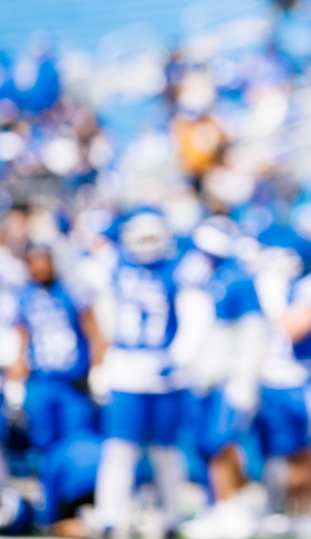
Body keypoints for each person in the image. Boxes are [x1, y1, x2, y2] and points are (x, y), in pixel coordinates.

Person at [93, 209, 194, 538]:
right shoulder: (113, 266)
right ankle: (109, 517)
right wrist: (105, 361)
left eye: (154, 237)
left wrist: (178, 357)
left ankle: (170, 517)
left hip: (165, 371)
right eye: (143, 238)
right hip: (127, 368)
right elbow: (101, 311)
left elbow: (195, 318)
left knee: (165, 450)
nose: (149, 245)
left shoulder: (179, 269)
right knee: (121, 448)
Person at [178, 217, 265, 539]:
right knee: (202, 445)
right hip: (198, 376)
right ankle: (219, 505)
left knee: (220, 441)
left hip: (227, 376)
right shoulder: (194, 275)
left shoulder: (238, 278)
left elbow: (253, 332)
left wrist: (246, 378)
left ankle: (235, 504)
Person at [254, 225, 311, 529]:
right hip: (269, 379)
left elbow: (294, 328)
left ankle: (310, 515)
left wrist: (271, 296)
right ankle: (287, 513)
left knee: (306, 450)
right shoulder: (260, 283)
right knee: (277, 452)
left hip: (303, 379)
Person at [9, 240, 104, 452]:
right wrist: (15, 381)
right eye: (35, 261)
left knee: (78, 438)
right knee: (43, 439)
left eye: (44, 260)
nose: (40, 267)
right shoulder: (23, 296)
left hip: (73, 381)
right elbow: (20, 340)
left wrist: (98, 369)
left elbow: (95, 335)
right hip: (41, 380)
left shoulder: (72, 292)